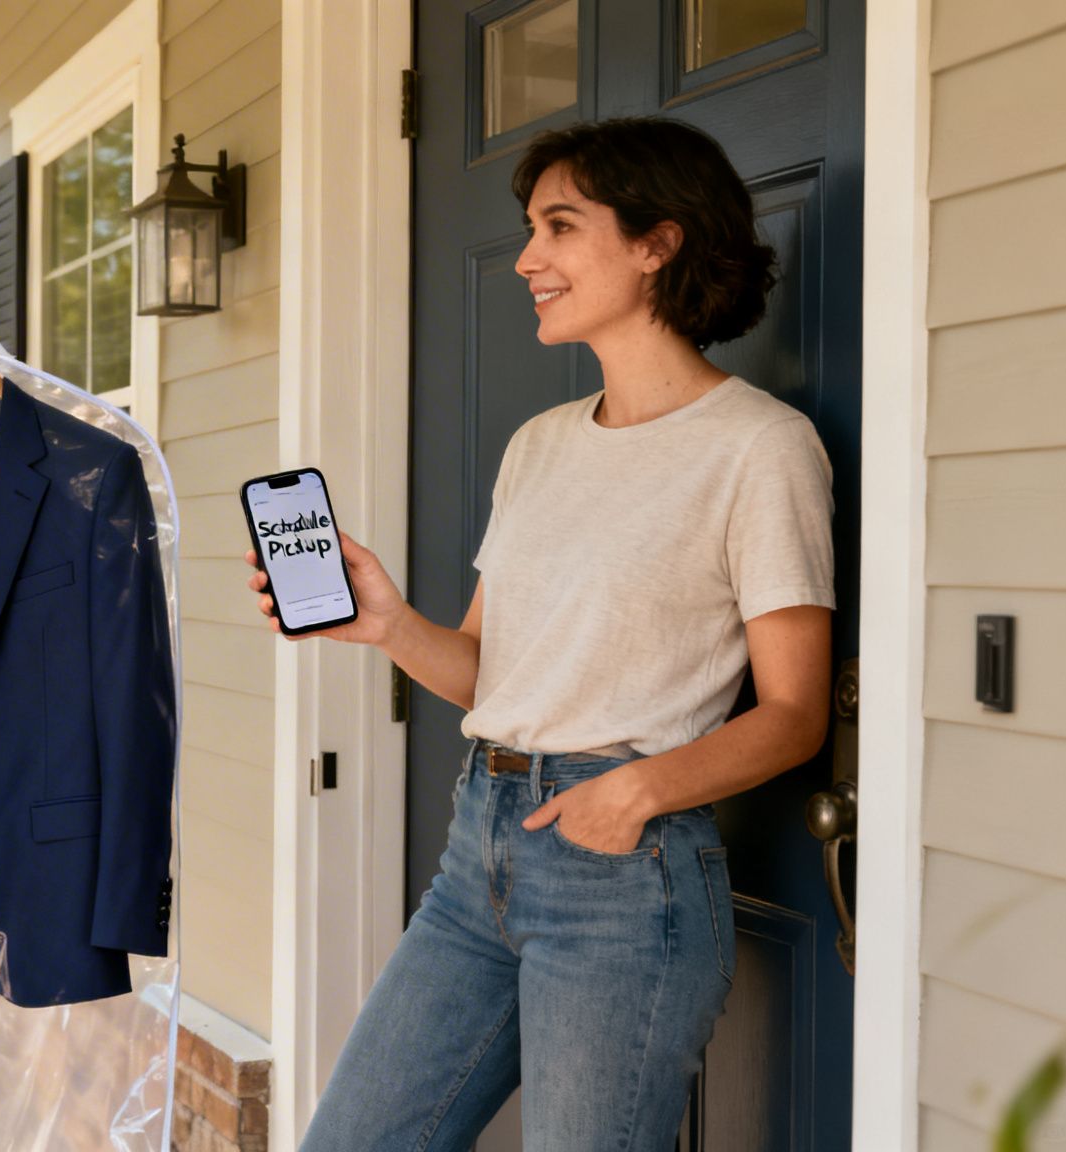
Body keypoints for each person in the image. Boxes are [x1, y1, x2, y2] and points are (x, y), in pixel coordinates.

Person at [255, 118, 835, 1150]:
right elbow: (485, 667)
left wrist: (632, 793)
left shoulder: (759, 448)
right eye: (529, 230)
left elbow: (791, 716)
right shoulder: (539, 445)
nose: (527, 258)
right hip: (477, 846)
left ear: (657, 242)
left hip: (624, 874)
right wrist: (388, 626)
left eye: (558, 227)